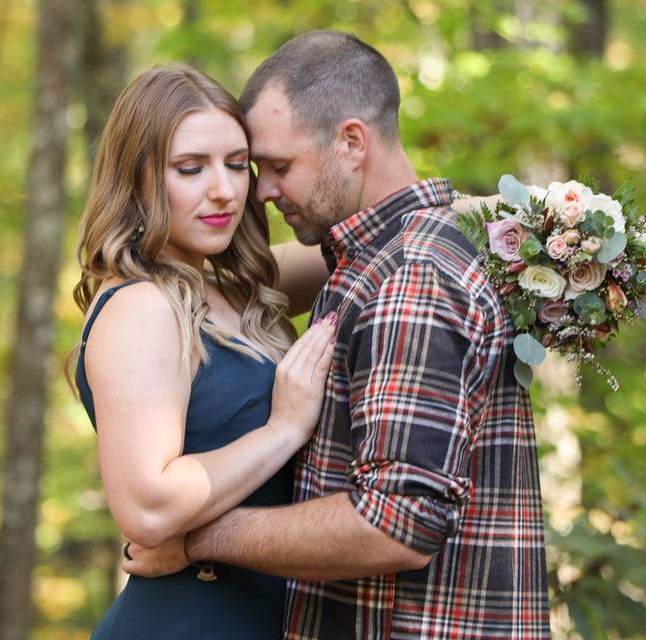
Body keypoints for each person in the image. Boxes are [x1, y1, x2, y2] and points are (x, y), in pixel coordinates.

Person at [124, 31, 552, 639]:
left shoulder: (411, 278)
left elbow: (395, 522)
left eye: (278, 166)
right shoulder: (371, 260)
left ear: (351, 141)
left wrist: (198, 538)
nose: (260, 191)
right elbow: (239, 282)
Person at [71, 64, 336, 639]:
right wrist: (283, 429)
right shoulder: (143, 307)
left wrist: (548, 215)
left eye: (237, 165)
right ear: (136, 177)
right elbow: (147, 508)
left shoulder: (238, 290)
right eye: (190, 168)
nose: (224, 189)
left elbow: (378, 238)